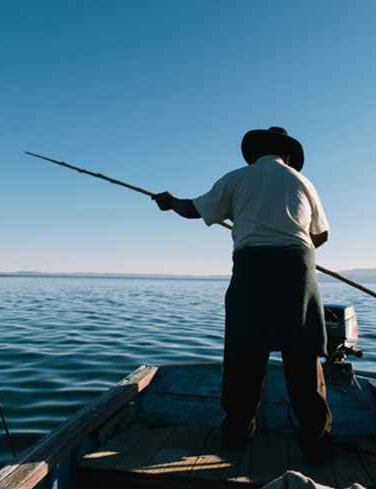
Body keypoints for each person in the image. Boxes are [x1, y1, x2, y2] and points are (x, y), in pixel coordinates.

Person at [153, 127, 332, 461]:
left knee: (245, 352)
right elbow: (320, 236)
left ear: (255, 153)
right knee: (302, 355)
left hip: (252, 267)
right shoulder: (303, 182)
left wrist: (170, 202)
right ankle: (316, 440)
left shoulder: (237, 178)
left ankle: (237, 433)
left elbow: (195, 208)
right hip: (298, 267)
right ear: (288, 154)